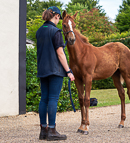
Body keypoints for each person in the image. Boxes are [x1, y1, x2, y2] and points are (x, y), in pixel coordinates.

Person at [36, 6, 75, 141]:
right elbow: (60, 53)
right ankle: (52, 131)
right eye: (59, 18)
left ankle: (43, 131)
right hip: (55, 70)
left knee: (44, 99)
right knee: (53, 99)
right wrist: (68, 71)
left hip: (42, 70)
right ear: (57, 16)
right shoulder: (56, 31)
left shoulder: (39, 31)